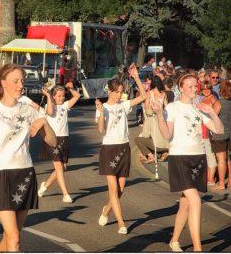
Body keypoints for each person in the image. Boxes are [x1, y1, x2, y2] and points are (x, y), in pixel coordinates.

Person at [0, 63, 56, 251]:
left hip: (25, 174)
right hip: (1, 175)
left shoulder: (29, 110)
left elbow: (52, 142)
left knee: (11, 235)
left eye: (22, 81)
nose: (20, 85)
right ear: (3, 83)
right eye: (15, 81)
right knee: (15, 238)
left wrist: (44, 122)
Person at [151, 74, 224, 252]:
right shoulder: (172, 107)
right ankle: (198, 249)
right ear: (181, 88)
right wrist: (160, 114)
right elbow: (167, 135)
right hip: (179, 157)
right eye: (190, 86)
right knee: (195, 200)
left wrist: (212, 112)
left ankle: (174, 240)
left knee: (185, 203)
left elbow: (219, 130)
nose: (194, 89)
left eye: (195, 86)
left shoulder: (199, 108)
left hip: (198, 157)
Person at [95, 63, 147, 235]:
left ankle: (106, 210)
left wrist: (137, 78)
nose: (119, 95)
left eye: (121, 92)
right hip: (109, 149)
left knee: (120, 190)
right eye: (116, 91)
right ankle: (121, 223)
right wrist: (101, 112)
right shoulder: (104, 108)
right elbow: (101, 129)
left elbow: (143, 96)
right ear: (109, 91)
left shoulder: (124, 105)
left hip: (123, 148)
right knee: (112, 189)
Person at [37, 81, 81, 203]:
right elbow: (50, 113)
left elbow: (77, 96)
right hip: (52, 139)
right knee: (59, 167)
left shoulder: (66, 105)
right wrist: (48, 96)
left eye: (63, 96)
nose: (61, 98)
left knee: (62, 167)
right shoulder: (48, 106)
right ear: (54, 96)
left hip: (64, 138)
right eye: (59, 96)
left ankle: (45, 186)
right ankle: (65, 194)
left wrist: (70, 88)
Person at [210, 81, 231, 190]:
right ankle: (230, 181)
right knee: (227, 158)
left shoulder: (219, 103)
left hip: (220, 133)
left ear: (221, 90)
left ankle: (221, 183)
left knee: (221, 158)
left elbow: (213, 117)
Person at [136, 76, 169, 163]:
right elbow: (167, 107)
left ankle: (150, 155)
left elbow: (147, 110)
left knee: (144, 136)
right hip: (162, 118)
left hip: (152, 118)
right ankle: (164, 152)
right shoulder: (164, 94)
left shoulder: (149, 93)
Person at [199, 81, 221, 186]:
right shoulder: (204, 99)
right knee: (207, 155)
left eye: (208, 88)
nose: (206, 90)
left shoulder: (212, 98)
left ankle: (211, 178)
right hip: (202, 129)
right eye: (204, 88)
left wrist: (212, 119)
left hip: (208, 130)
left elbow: (218, 106)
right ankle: (208, 176)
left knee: (210, 154)